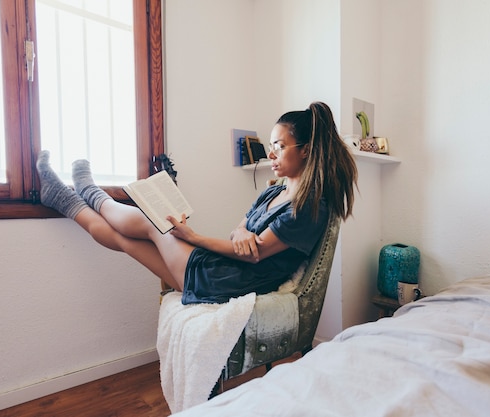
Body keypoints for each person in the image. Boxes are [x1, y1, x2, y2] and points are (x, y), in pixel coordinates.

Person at [36, 101, 358, 304]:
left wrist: (192, 237)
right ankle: (64, 199)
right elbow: (241, 232)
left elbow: (254, 254)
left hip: (223, 280)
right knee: (124, 240)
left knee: (153, 221)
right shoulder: (273, 192)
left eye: (279, 146)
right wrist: (242, 232)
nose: (270, 154)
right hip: (220, 270)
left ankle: (88, 190)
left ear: (306, 150)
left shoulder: (311, 208)